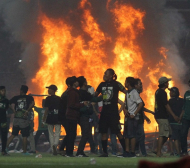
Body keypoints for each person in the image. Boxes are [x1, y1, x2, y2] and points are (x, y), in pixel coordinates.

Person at [95, 68, 127, 157]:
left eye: (106, 74)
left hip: (113, 113)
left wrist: (126, 104)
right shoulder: (101, 85)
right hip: (104, 113)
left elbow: (126, 92)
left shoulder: (117, 84)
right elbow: (95, 95)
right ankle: (105, 153)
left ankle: (126, 151)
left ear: (111, 75)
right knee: (103, 133)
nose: (104, 75)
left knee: (117, 132)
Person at [76, 76, 102, 157]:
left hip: (81, 116)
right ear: (84, 83)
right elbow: (95, 99)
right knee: (86, 134)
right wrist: (105, 96)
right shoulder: (84, 93)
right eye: (85, 81)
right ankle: (79, 152)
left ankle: (80, 151)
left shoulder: (78, 92)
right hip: (84, 116)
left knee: (86, 134)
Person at [154, 77, 179, 157]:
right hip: (162, 116)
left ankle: (157, 150)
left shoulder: (158, 91)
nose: (168, 83)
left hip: (159, 115)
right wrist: (174, 115)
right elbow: (166, 105)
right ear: (164, 83)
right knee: (162, 134)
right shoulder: (162, 92)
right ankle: (158, 153)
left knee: (167, 134)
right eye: (167, 82)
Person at [7, 85, 35, 155]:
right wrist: (27, 110)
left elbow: (8, 103)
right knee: (24, 135)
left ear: (21, 90)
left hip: (16, 118)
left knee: (13, 134)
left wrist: (13, 110)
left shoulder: (16, 97)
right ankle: (24, 152)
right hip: (23, 119)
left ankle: (4, 148)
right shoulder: (29, 97)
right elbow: (33, 104)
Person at [65, 76, 88, 157]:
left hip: (73, 116)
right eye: (76, 81)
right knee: (71, 135)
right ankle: (69, 153)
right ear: (74, 83)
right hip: (71, 116)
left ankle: (69, 152)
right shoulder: (72, 92)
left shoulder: (73, 91)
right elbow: (71, 104)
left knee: (72, 134)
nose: (78, 82)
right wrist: (82, 104)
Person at [124, 77, 144, 158]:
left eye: (125, 82)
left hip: (133, 118)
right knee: (127, 135)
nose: (124, 83)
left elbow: (140, 104)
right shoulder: (127, 92)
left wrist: (134, 114)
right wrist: (125, 110)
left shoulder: (134, 92)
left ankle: (132, 153)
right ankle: (127, 152)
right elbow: (126, 104)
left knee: (132, 135)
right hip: (127, 117)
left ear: (128, 83)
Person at [134, 78, 153, 157]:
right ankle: (143, 153)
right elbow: (139, 108)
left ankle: (137, 151)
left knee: (139, 136)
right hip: (137, 120)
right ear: (135, 85)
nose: (141, 86)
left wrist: (149, 114)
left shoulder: (138, 95)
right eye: (139, 84)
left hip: (140, 119)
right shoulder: (135, 95)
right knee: (141, 136)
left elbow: (141, 109)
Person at [42, 85, 63, 156]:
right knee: (57, 132)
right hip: (57, 117)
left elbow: (46, 109)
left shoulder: (48, 99)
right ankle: (55, 145)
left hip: (50, 117)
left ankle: (52, 148)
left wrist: (43, 119)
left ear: (53, 90)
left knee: (50, 134)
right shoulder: (59, 99)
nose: (48, 90)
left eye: (49, 89)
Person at [58, 77, 72, 156]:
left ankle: (63, 149)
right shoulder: (67, 94)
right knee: (70, 133)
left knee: (70, 133)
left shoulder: (67, 93)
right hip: (65, 116)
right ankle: (63, 149)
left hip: (65, 116)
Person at [168, 87, 183, 156]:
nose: (169, 93)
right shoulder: (182, 100)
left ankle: (177, 153)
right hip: (181, 122)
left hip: (172, 122)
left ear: (174, 93)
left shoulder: (170, 101)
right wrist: (180, 118)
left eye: (171, 92)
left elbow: (168, 110)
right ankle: (179, 151)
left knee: (174, 138)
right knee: (179, 138)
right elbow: (184, 110)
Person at [180, 80, 190, 156]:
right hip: (186, 118)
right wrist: (180, 117)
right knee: (183, 134)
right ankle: (184, 151)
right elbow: (183, 106)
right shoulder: (186, 93)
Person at [0, 86, 10, 156]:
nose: (4, 92)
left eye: (4, 90)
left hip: (3, 120)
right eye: (2, 90)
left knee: (4, 136)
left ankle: (3, 151)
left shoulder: (6, 100)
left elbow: (6, 109)